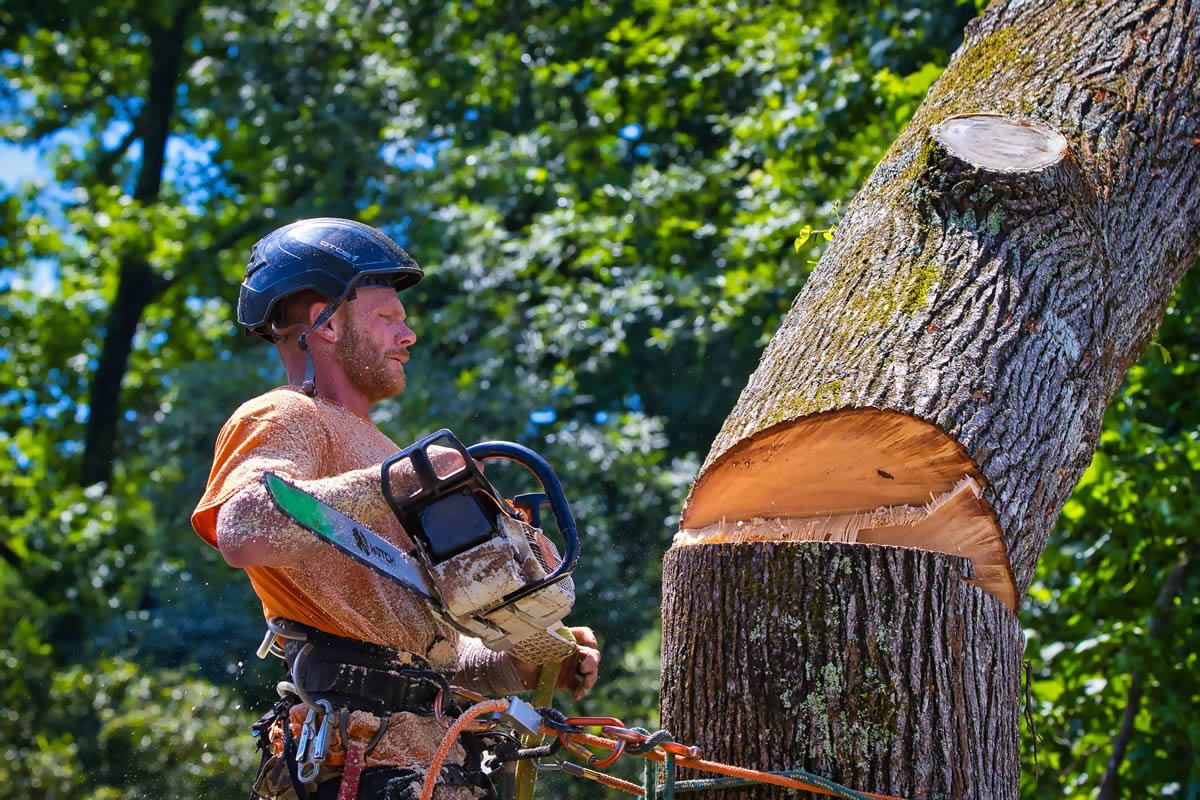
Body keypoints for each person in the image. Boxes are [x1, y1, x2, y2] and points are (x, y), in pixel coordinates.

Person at [190, 218, 601, 800]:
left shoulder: (381, 449)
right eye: (388, 318)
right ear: (325, 323)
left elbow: (437, 663)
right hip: (358, 763)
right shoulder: (285, 416)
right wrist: (402, 477)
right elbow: (244, 527)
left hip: (434, 760)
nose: (407, 337)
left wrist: (524, 663)